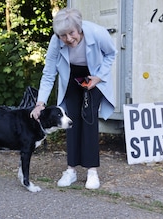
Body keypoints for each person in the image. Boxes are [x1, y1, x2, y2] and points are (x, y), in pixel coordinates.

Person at [30, 8, 117, 189]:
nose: (68, 39)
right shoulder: (56, 41)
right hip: (71, 77)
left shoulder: (97, 33)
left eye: (72, 33)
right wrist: (40, 103)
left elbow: (111, 53)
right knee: (70, 120)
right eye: (63, 35)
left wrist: (99, 77)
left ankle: (92, 172)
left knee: (89, 119)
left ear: (79, 28)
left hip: (93, 77)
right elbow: (48, 73)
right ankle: (71, 170)